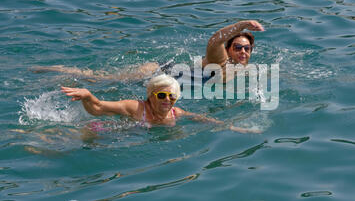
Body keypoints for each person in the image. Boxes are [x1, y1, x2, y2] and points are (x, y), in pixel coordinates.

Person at [32, 20, 265, 83]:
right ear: (228, 49)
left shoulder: (244, 71)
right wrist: (241, 24)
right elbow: (215, 40)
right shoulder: (220, 59)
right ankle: (55, 70)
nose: (243, 51)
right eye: (238, 47)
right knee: (101, 79)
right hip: (160, 72)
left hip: (169, 80)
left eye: (247, 48)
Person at [61, 74, 260, 133]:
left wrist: (233, 127)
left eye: (172, 97)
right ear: (151, 94)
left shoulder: (176, 113)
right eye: (162, 95)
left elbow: (202, 119)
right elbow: (98, 108)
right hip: (101, 130)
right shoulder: (135, 107)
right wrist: (88, 96)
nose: (167, 100)